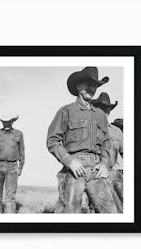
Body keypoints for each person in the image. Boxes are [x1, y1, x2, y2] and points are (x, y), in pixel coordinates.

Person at [47, 66, 117, 213]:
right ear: (79, 86)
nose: (92, 88)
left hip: (97, 171)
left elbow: (106, 143)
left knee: (111, 214)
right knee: (71, 214)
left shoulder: (100, 115)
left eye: (95, 86)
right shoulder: (66, 111)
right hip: (74, 170)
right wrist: (69, 161)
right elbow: (52, 140)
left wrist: (104, 164)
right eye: (88, 84)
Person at [92, 92, 123, 213]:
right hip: (94, 177)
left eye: (107, 108)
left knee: (120, 210)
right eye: (102, 108)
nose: (105, 111)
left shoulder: (117, 132)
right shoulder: (88, 129)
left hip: (114, 176)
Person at [0, 115, 25, 213]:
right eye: (4, 121)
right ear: (2, 122)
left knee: (10, 197)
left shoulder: (19, 134)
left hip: (13, 167)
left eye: (9, 121)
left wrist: (20, 167)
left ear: (12, 121)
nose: (7, 123)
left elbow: (22, 152)